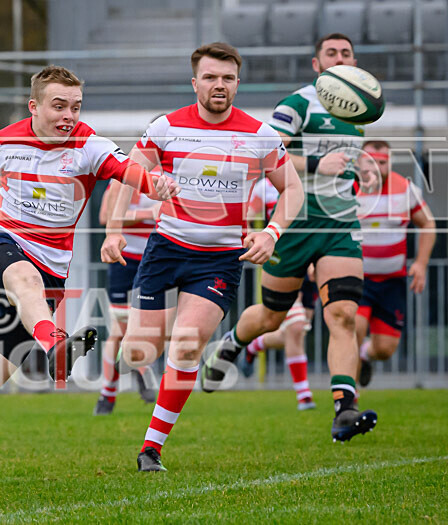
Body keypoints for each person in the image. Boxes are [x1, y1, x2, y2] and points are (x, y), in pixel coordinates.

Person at [0, 65, 179, 475]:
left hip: (51, 274)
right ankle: (55, 345)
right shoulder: (3, 142)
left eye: (76, 107)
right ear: (34, 106)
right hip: (0, 248)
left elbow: (126, 172)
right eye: (59, 106)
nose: (69, 115)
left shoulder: (89, 146)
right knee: (22, 275)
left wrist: (155, 184)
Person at [102, 43, 304, 471]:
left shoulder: (259, 135)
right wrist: (115, 231)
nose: (219, 85)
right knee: (140, 352)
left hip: (219, 259)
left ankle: (151, 449)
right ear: (195, 82)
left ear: (237, 83)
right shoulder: (166, 128)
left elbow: (293, 190)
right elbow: (125, 178)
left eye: (227, 78)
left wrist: (271, 232)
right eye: (210, 77)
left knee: (189, 342)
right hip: (166, 250)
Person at [201, 33, 378, 443]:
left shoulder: (361, 108)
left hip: (339, 225)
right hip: (294, 223)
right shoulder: (298, 103)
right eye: (330, 53)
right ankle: (232, 343)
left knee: (343, 315)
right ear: (316, 65)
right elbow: (268, 151)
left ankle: (344, 410)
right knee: (272, 316)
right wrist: (318, 162)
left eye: (346, 53)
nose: (339, 58)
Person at [355, 140, 436, 386]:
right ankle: (349, 401)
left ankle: (365, 355)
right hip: (357, 278)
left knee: (385, 349)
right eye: (371, 162)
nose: (378, 167)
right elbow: (328, 229)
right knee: (354, 328)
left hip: (393, 280)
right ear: (359, 163)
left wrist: (421, 264)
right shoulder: (348, 189)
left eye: (383, 162)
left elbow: (428, 224)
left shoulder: (405, 188)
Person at [234, 177, 317, 411]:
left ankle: (255, 345)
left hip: (310, 259)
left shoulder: (314, 184)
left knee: (294, 331)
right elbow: (249, 215)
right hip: (283, 259)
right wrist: (253, 239)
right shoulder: (265, 187)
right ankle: (304, 395)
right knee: (297, 325)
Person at [93, 176, 159, 416]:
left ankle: (138, 368)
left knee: (148, 326)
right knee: (120, 329)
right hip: (125, 257)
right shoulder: (125, 180)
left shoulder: (168, 178)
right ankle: (108, 394)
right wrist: (148, 212)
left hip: (155, 259)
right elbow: (105, 217)